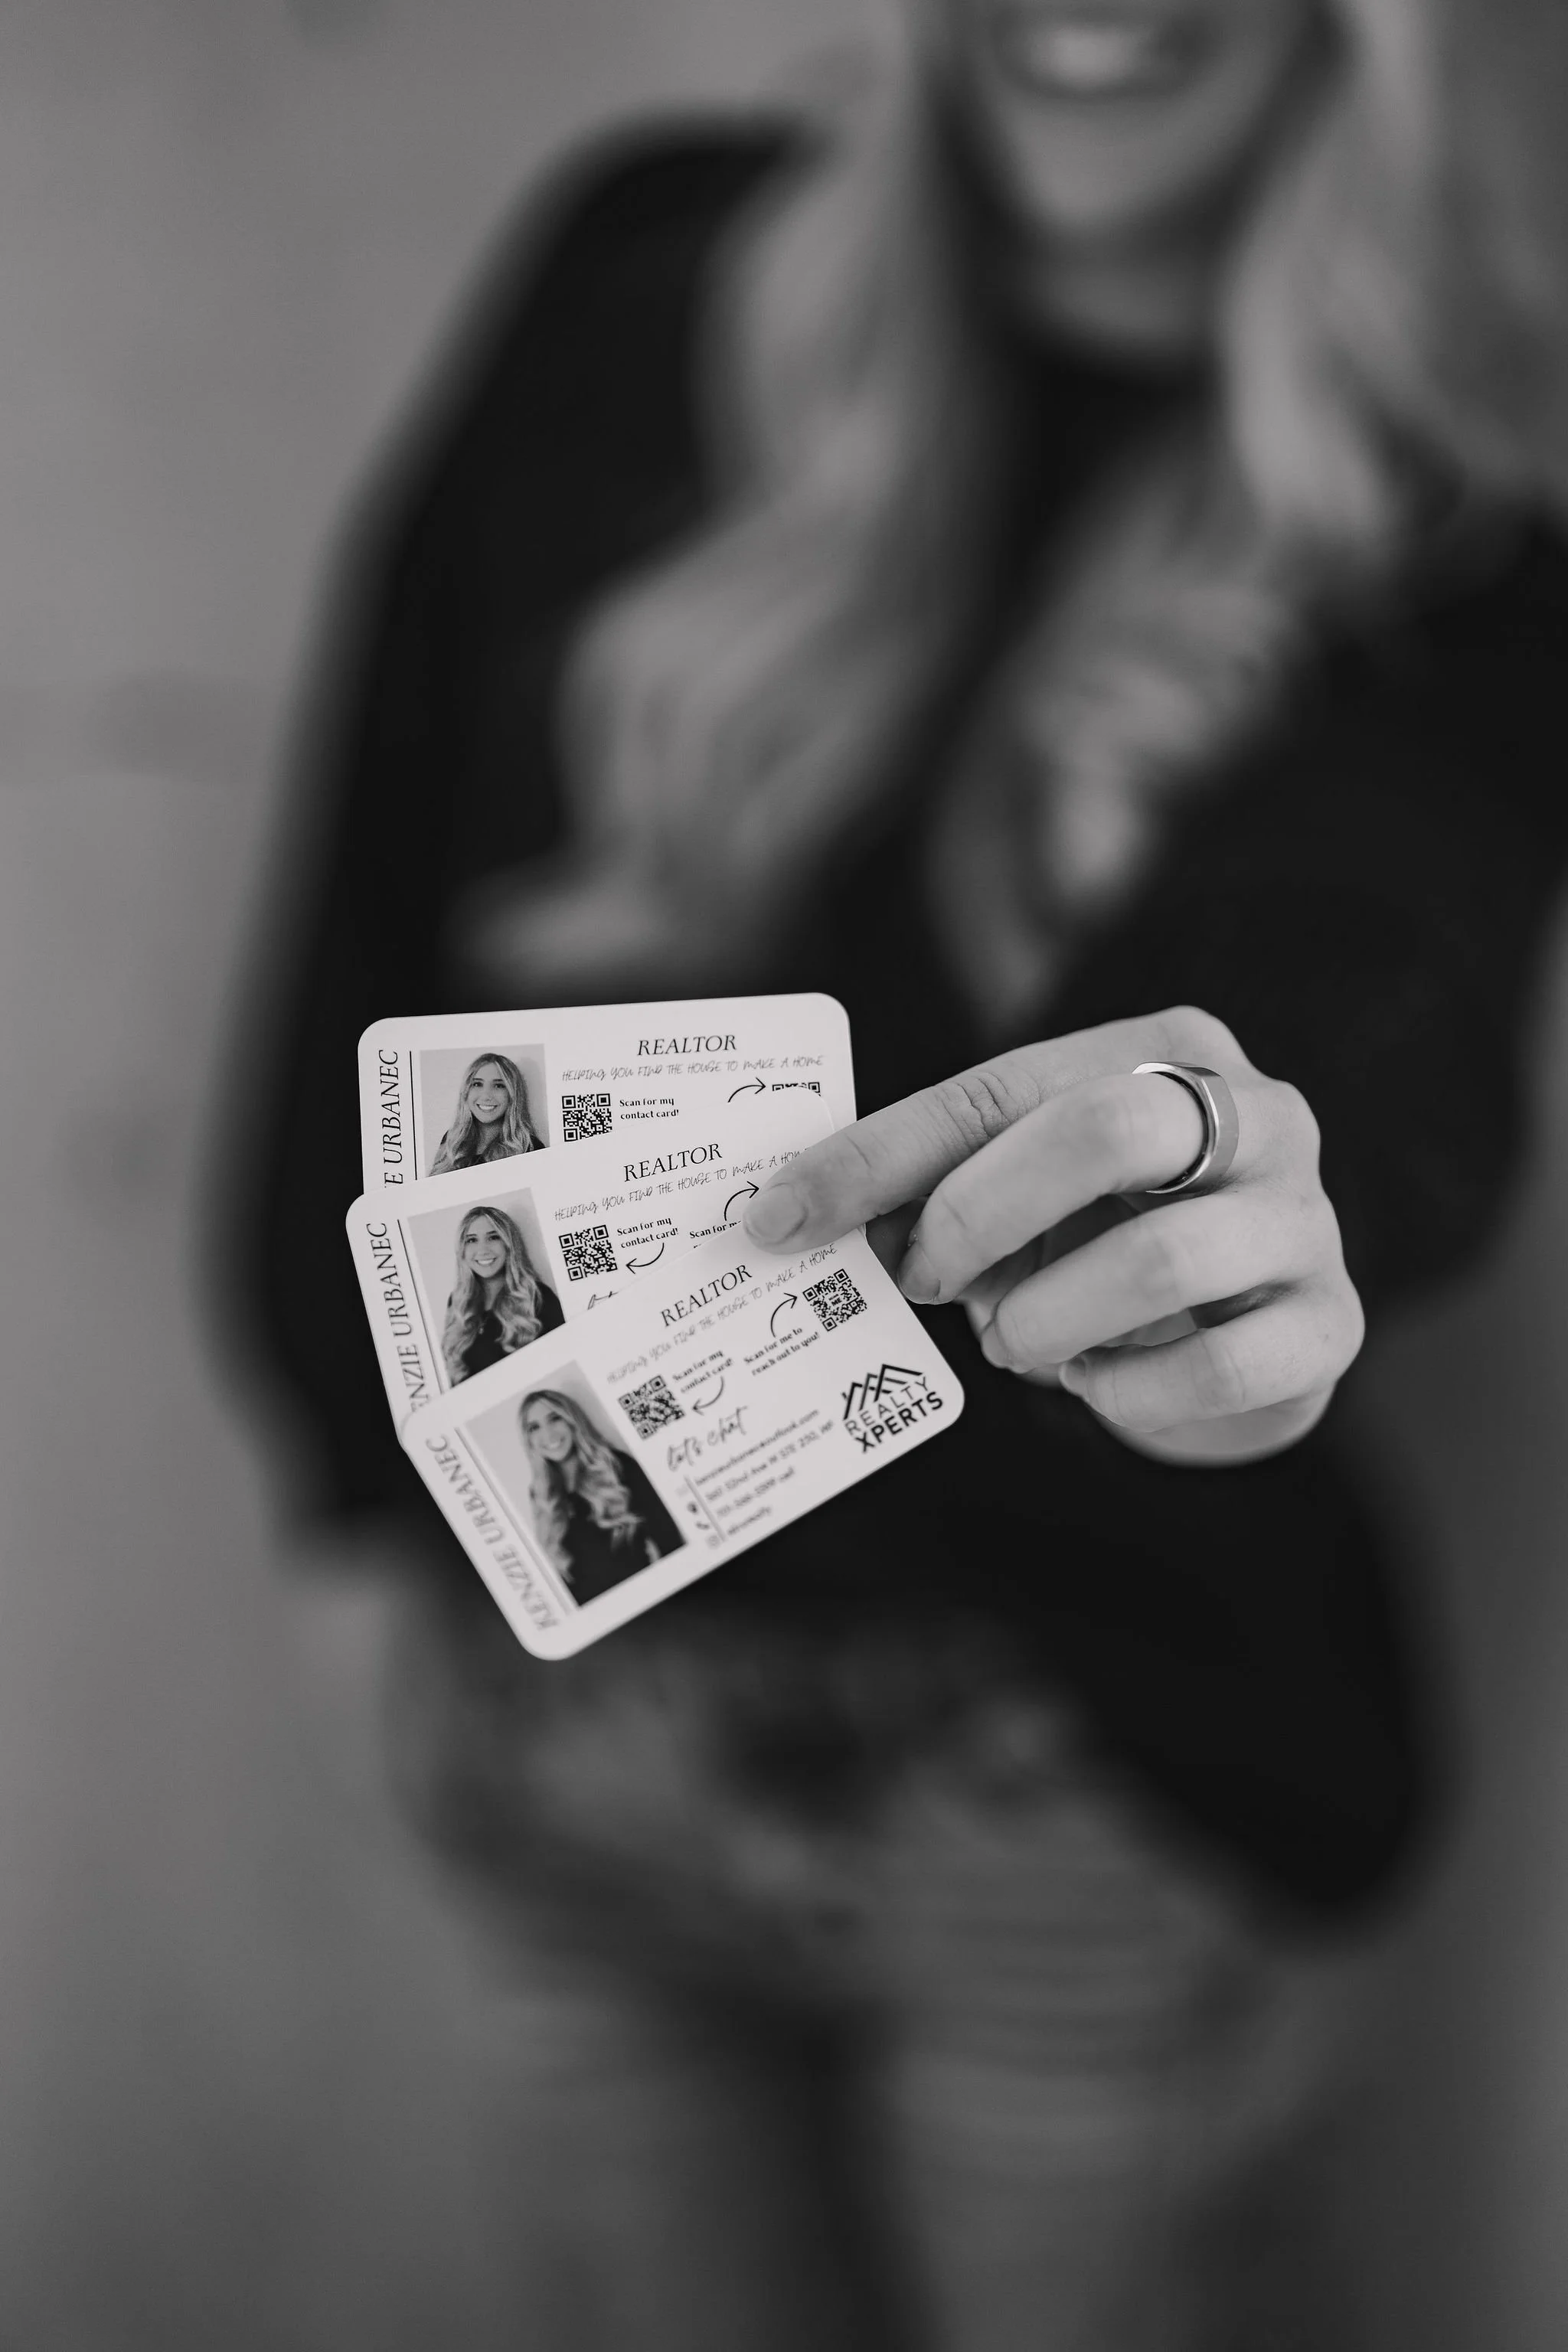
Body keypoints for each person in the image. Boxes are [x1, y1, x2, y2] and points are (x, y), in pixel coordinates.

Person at [243, 0, 1568, 2341]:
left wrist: (1248, 1181)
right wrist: (369, 1500)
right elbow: (360, 899)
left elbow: (1381, 965)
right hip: (572, 1739)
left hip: (1069, 1788)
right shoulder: (640, 269)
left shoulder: (1459, 513)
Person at [519, 1387, 684, 1601]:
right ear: (528, 1439)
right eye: (534, 1427)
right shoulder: (540, 1494)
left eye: (555, 1418)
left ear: (572, 1420)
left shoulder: (618, 1467)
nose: (548, 1434)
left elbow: (670, 1541)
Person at [440, 1204, 564, 1385]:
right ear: (462, 1251)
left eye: (493, 1237)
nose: (483, 1250)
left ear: (509, 1244)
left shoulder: (538, 1297)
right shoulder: (458, 1302)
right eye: (472, 1240)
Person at [429, 1052, 541, 1173]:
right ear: (466, 1092)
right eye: (477, 1084)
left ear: (513, 1095)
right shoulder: (452, 1139)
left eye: (499, 1086)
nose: (486, 1096)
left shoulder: (530, 1147)